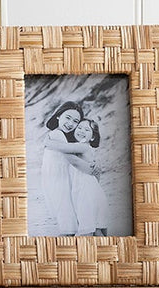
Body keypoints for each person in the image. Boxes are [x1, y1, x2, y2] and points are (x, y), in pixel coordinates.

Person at [39, 101, 84, 235]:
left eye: (76, 121)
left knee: (69, 217)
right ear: (58, 115)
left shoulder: (59, 135)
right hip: (58, 180)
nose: (70, 123)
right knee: (68, 221)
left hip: (59, 178)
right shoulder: (57, 134)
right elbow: (71, 157)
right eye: (68, 118)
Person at [68, 118, 108, 236]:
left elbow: (63, 151)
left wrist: (50, 141)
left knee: (87, 230)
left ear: (92, 137)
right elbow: (97, 174)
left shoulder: (82, 147)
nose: (81, 131)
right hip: (93, 191)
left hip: (86, 193)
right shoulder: (84, 148)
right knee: (96, 229)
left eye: (86, 129)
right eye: (79, 127)